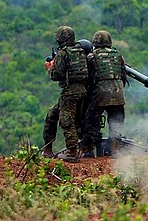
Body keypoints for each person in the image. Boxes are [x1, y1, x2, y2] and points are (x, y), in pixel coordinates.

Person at [40, 25, 87, 162]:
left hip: (70, 92)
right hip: (82, 91)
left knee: (66, 120)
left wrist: (49, 68)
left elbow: (57, 75)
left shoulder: (63, 53)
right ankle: (47, 150)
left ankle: (72, 152)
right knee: (52, 114)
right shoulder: (80, 50)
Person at [85, 29, 127, 157]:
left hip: (100, 94)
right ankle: (114, 150)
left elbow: (89, 78)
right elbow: (123, 76)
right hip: (118, 94)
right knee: (116, 123)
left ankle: (89, 151)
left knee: (91, 121)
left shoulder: (92, 56)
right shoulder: (118, 55)